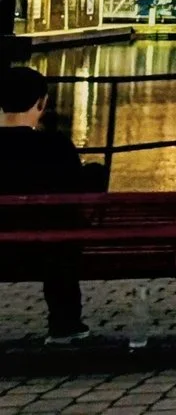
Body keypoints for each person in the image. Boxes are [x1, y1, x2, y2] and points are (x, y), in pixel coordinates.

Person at [0, 65, 105, 344]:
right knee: (62, 237)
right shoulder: (56, 146)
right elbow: (79, 193)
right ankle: (65, 323)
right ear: (41, 103)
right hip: (48, 253)